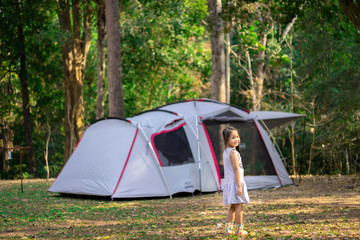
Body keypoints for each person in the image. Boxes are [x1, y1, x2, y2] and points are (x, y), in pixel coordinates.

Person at [222, 126, 250, 236]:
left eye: (237, 137)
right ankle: (239, 230)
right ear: (226, 140)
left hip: (229, 183)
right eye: (233, 138)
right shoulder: (233, 153)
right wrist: (239, 186)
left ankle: (229, 229)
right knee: (239, 206)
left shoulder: (226, 152)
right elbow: (236, 169)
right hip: (235, 183)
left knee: (233, 207)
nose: (236, 139)